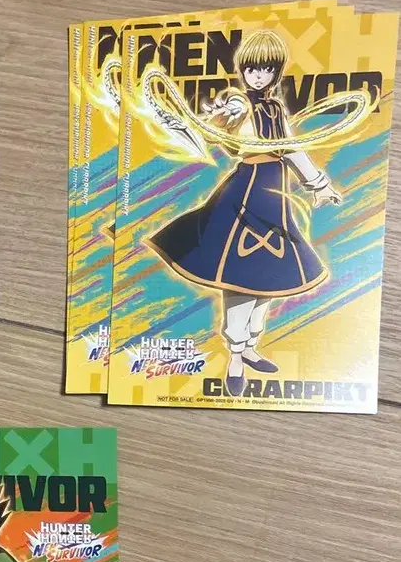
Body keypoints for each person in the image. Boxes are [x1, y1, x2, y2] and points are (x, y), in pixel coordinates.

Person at [146, 30, 341, 397]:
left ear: (276, 72)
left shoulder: (275, 108)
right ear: (243, 70)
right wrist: (222, 117)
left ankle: (250, 347)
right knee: (240, 277)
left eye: (266, 70)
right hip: (244, 192)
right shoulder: (237, 101)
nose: (258, 76)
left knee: (273, 278)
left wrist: (319, 184)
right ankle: (234, 358)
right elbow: (219, 126)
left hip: (273, 195)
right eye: (252, 69)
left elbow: (291, 148)